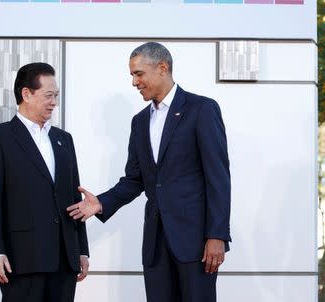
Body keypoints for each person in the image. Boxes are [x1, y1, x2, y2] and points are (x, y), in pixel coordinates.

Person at [67, 42, 231, 302]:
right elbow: (135, 180)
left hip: (196, 242)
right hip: (156, 243)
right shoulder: (140, 122)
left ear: (162, 68)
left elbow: (218, 177)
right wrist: (100, 203)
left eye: (138, 73)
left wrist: (217, 235)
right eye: (132, 75)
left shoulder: (201, 109)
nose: (134, 82)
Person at [0, 62, 89, 302]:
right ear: (26, 94)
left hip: (64, 258)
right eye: (48, 95)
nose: (54, 102)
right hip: (22, 257)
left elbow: (74, 197)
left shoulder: (63, 139)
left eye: (56, 95)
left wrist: (81, 249)